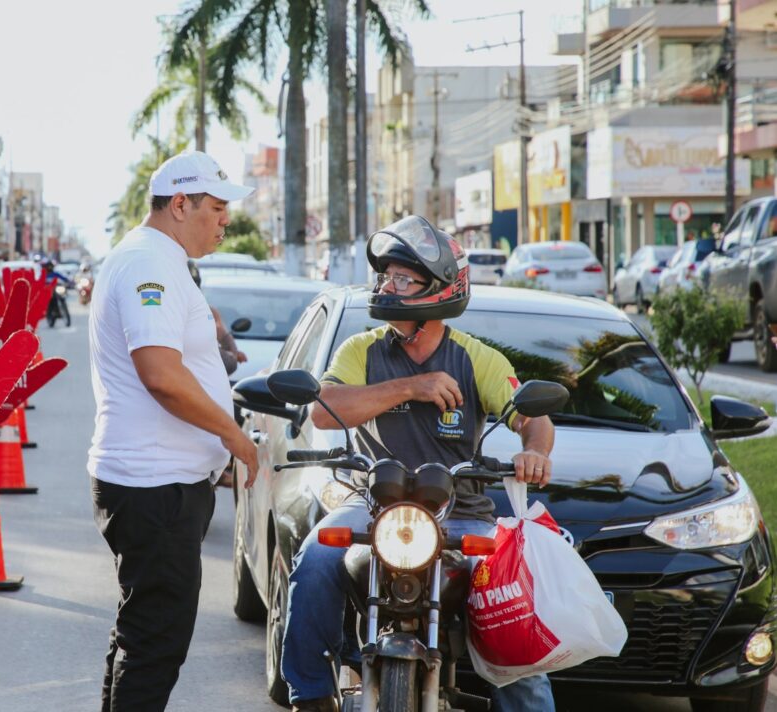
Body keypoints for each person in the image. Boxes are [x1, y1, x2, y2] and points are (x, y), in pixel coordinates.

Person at [281, 216, 557, 712]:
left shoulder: (476, 359)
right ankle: (312, 696)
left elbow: (533, 417)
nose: (387, 286)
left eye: (402, 279)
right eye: (386, 276)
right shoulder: (361, 350)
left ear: (438, 289)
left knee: (512, 600)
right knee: (316, 558)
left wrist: (534, 452)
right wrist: (412, 387)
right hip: (371, 505)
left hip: (462, 513)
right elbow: (324, 410)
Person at [87, 150, 260, 712]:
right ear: (180, 204)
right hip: (155, 486)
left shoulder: (157, 259)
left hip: (157, 484)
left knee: (140, 634)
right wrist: (232, 434)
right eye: (217, 207)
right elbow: (161, 375)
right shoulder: (149, 264)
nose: (225, 220)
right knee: (155, 644)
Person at [187, 259, 247, 376]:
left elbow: (222, 337)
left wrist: (232, 353)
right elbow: (229, 362)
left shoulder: (205, 311)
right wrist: (231, 355)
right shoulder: (178, 314)